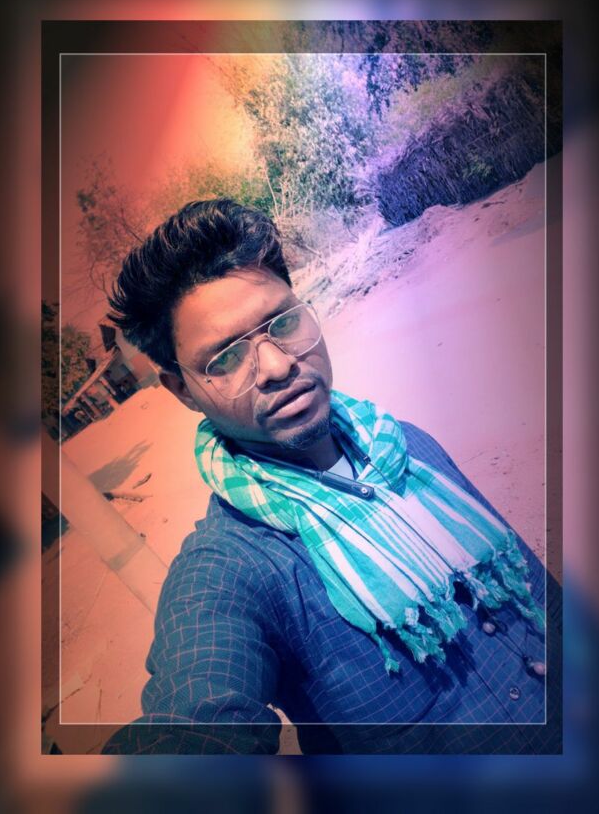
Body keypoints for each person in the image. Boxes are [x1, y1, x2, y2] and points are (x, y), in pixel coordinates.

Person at [102, 199, 560, 755]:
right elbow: (191, 731)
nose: (277, 366)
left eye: (282, 323)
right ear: (182, 390)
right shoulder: (231, 572)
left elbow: (542, 592)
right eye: (225, 359)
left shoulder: (405, 444)